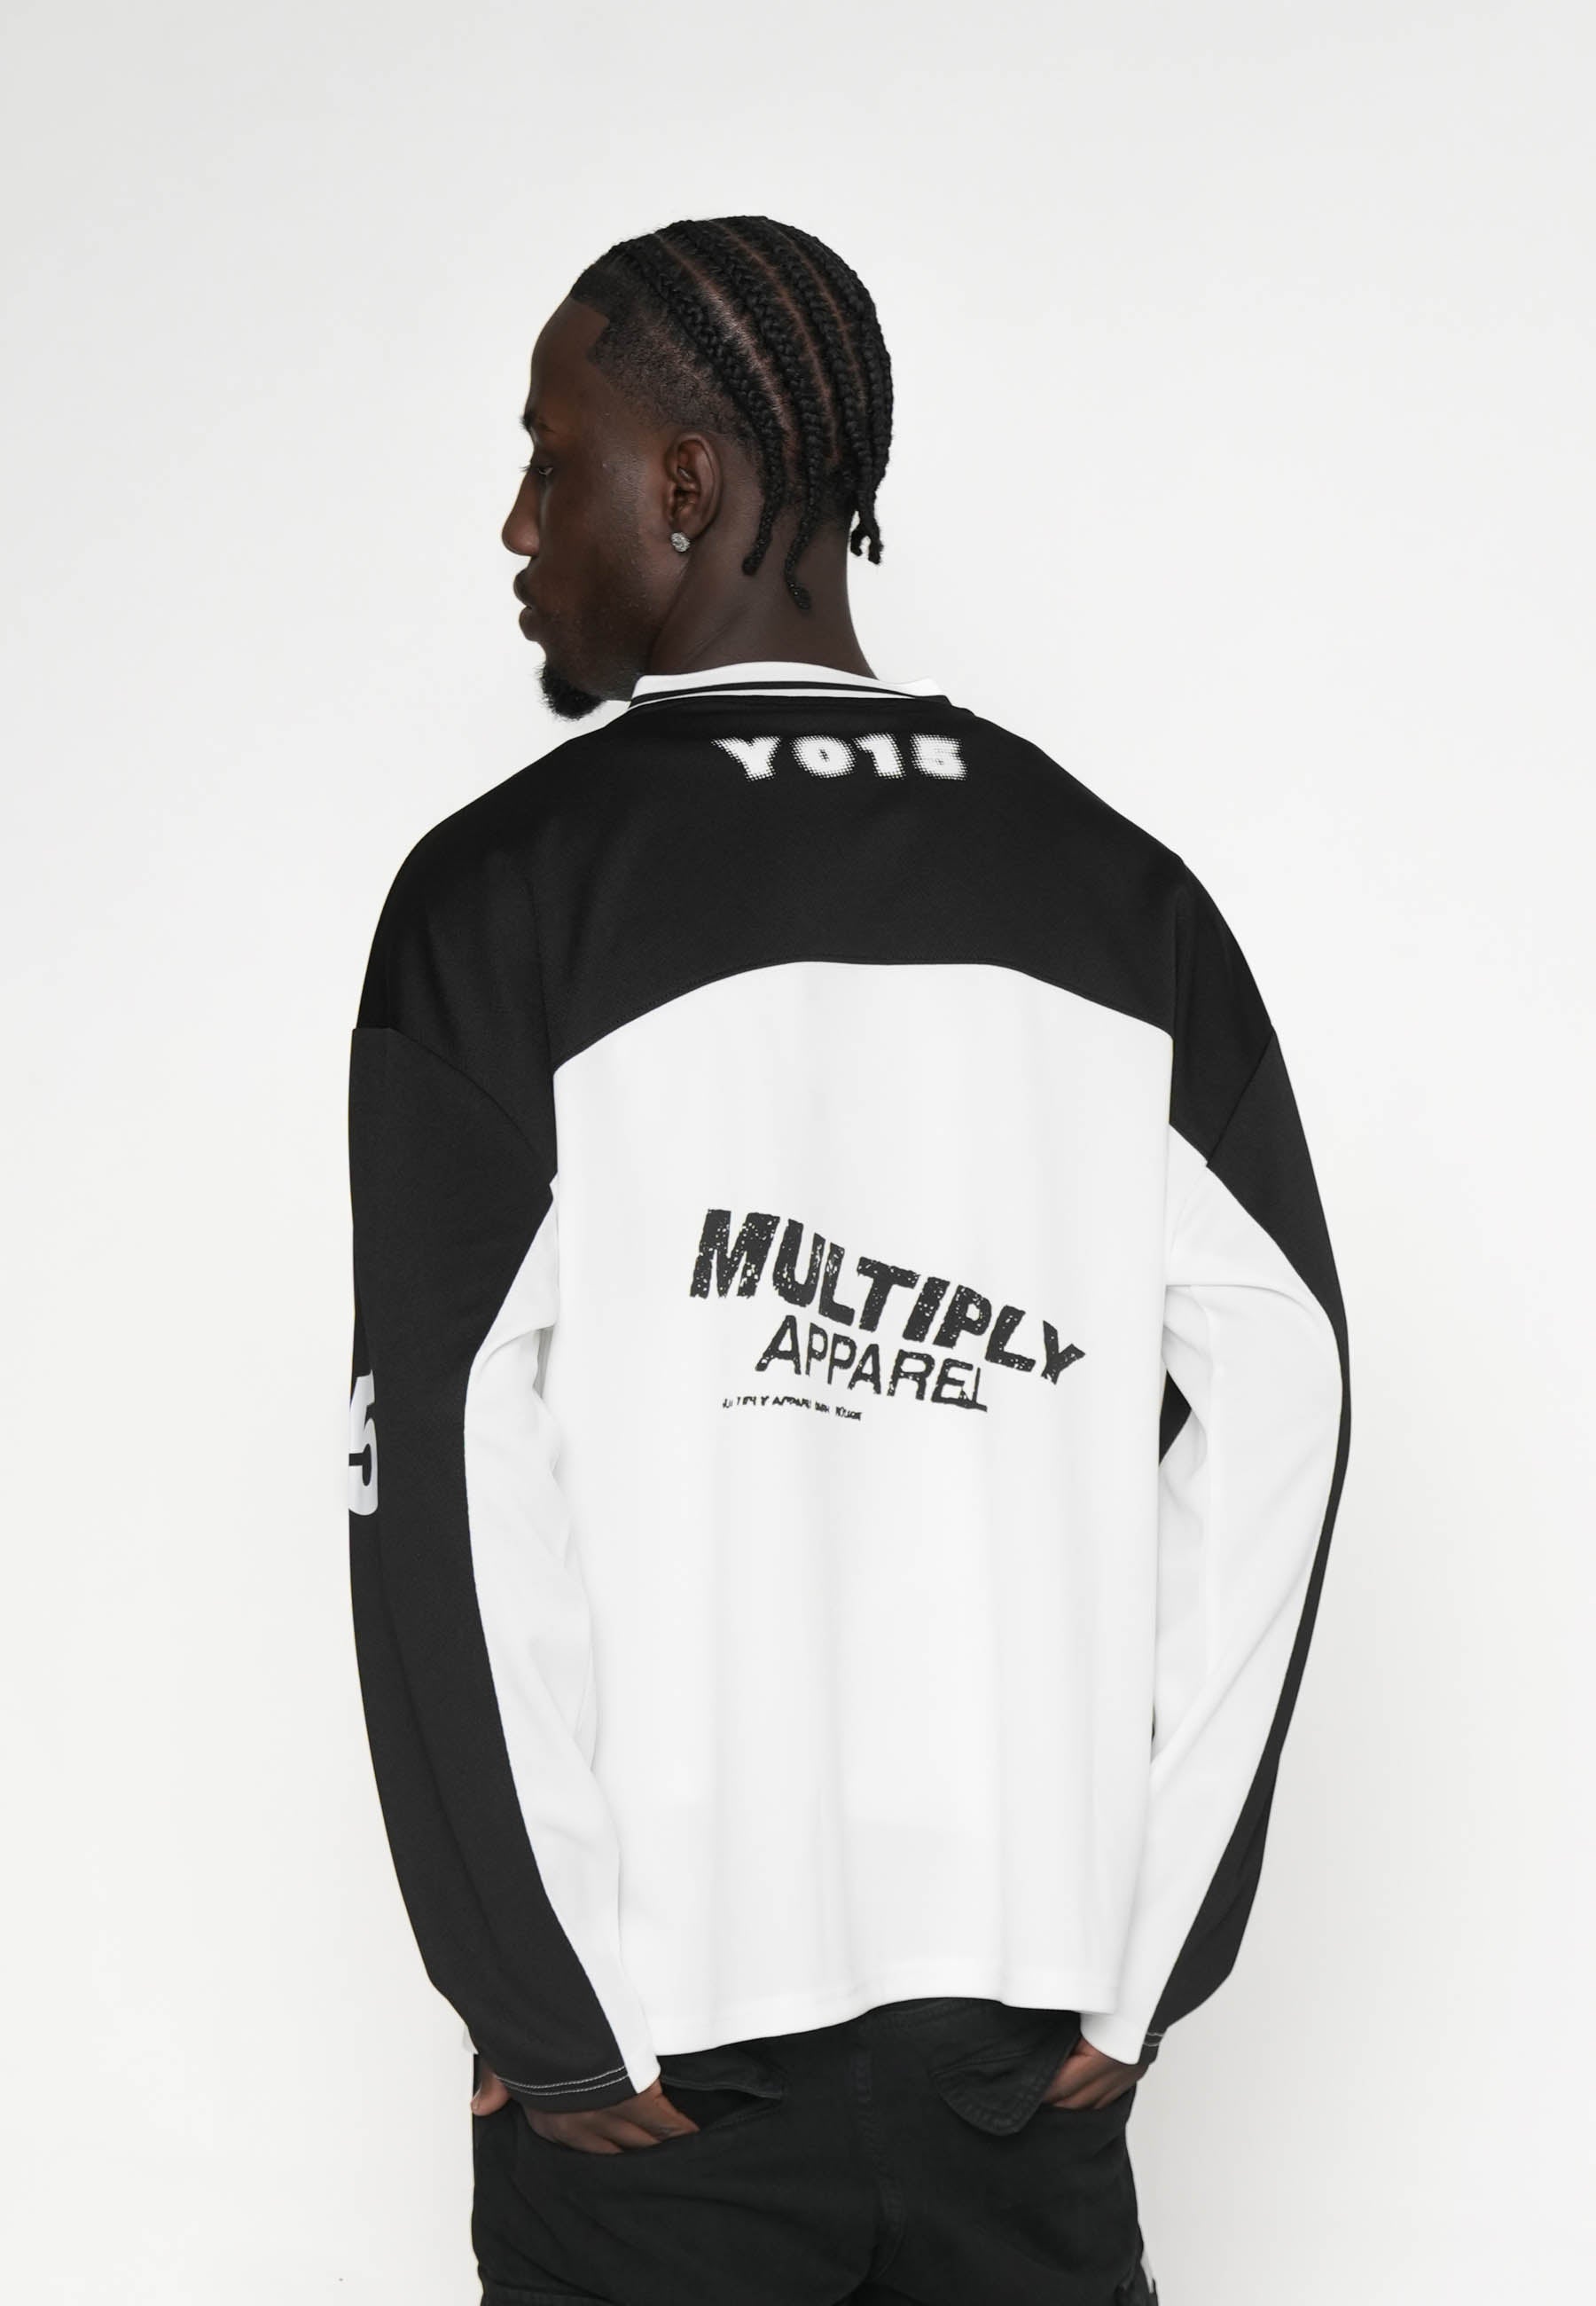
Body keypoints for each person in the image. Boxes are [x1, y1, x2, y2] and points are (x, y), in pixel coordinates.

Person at [345, 214, 1350, 2306]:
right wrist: (1147, 1951)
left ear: (687, 483)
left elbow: (435, 1461)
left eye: (553, 456)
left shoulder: (499, 902)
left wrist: (541, 2004)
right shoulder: (1121, 896)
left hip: (658, 2073)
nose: (519, 522)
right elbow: (1290, 1394)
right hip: (1017, 2073)